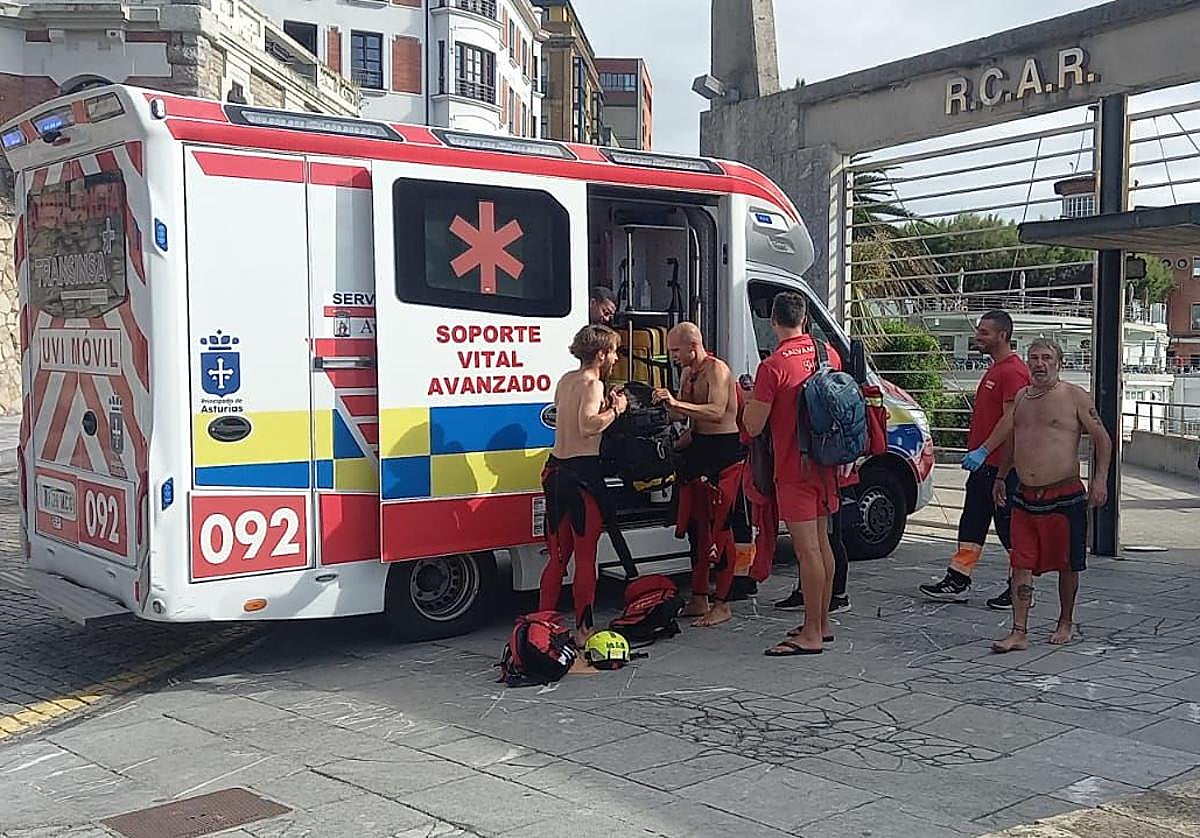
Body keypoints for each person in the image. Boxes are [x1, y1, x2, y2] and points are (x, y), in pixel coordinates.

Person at [991, 338, 1112, 653]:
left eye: (1046, 357)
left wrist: (1099, 480)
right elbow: (1013, 441)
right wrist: (1002, 476)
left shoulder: (1074, 396)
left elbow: (1103, 438)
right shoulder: (1021, 397)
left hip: (1065, 494)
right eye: (1033, 358)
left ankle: (1065, 621)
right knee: (1020, 561)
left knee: (1067, 564)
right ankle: (1019, 630)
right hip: (1025, 495)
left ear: (1059, 362)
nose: (1039, 363)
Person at [741, 292, 841, 656]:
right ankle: (823, 622)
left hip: (793, 467)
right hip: (825, 463)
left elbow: (753, 426)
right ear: (804, 318)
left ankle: (811, 633)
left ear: (773, 321)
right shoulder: (826, 353)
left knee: (806, 551)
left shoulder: (774, 366)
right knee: (823, 544)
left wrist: (749, 398)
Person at [919, 310, 1030, 608]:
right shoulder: (997, 369)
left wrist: (994, 462)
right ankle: (958, 578)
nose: (977, 337)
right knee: (973, 523)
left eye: (984, 332)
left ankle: (1020, 587)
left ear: (1002, 335)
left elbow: (1012, 421)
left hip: (1001, 467)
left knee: (1009, 529)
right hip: (986, 465)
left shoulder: (1013, 372)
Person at [651, 322, 746, 627]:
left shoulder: (717, 370)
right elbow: (684, 413)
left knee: (721, 529)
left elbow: (717, 411)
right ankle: (699, 596)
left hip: (723, 453)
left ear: (693, 346)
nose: (673, 356)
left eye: (676, 350)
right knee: (696, 527)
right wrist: (663, 404)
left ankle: (724, 602)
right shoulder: (688, 372)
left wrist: (678, 403)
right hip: (698, 448)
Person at [539, 325, 628, 645]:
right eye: (614, 351)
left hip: (555, 469)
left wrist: (605, 404)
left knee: (558, 557)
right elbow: (588, 425)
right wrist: (615, 411)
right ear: (601, 354)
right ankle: (583, 630)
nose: (616, 357)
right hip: (582, 474)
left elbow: (567, 416)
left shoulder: (566, 380)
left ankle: (541, 626)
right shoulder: (593, 383)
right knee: (585, 556)